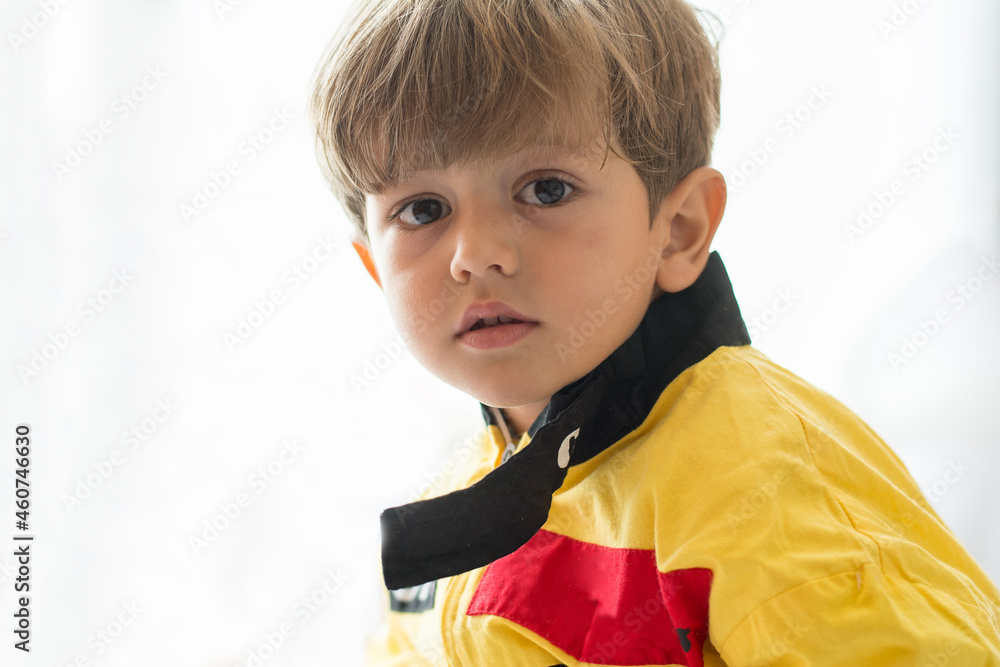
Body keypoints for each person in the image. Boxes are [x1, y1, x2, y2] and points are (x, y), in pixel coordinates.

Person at [308, 0, 1000, 663]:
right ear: (374, 266)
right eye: (423, 209)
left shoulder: (769, 487)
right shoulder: (450, 516)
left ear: (678, 231)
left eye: (545, 189)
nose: (476, 253)